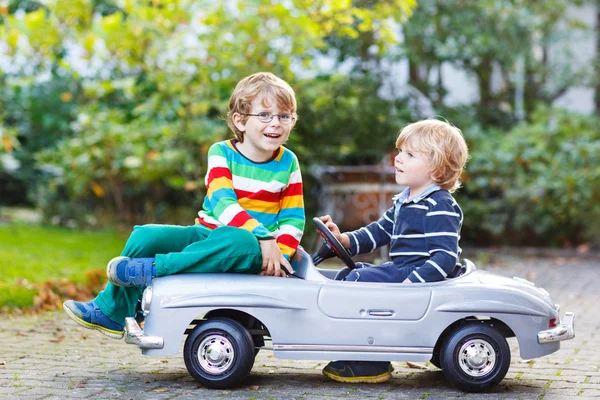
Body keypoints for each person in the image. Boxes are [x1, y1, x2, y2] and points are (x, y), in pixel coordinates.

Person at [63, 72, 305, 339]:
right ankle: (111, 311)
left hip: (252, 250)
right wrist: (265, 233)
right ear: (240, 120)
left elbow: (294, 217)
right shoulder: (221, 153)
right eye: (265, 115)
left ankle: (153, 270)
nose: (276, 123)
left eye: (285, 116)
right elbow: (223, 203)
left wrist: (279, 255)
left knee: (240, 240)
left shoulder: (288, 162)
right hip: (209, 233)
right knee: (145, 235)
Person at [319, 118, 469, 383]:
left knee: (357, 283)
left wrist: (412, 284)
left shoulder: (439, 205)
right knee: (349, 275)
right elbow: (378, 233)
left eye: (409, 155)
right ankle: (350, 347)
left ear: (436, 169)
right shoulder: (405, 201)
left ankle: (370, 361)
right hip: (401, 270)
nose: (398, 159)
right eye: (400, 152)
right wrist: (344, 240)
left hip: (416, 274)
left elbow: (445, 256)